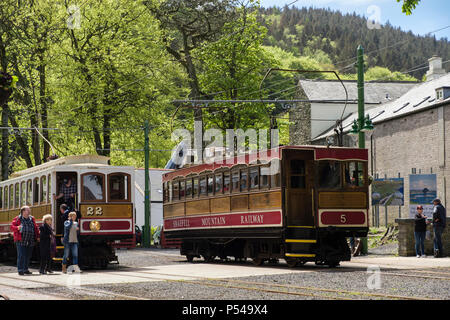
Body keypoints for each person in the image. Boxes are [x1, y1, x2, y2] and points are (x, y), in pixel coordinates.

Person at [10, 206, 40, 275]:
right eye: (28, 210)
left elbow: (35, 228)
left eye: (29, 210)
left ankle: (25, 269)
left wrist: (38, 236)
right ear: (23, 211)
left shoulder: (31, 218)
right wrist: (17, 227)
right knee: (21, 255)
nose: (29, 211)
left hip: (30, 240)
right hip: (21, 240)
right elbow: (12, 227)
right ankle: (20, 270)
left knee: (28, 255)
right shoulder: (17, 218)